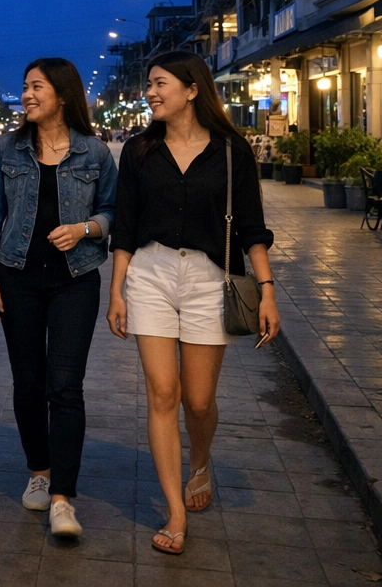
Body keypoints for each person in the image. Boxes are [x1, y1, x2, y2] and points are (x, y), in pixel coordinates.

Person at [106, 50, 279, 556]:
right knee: (163, 392)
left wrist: (267, 290)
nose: (151, 93)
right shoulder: (138, 150)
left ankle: (199, 461)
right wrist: (116, 289)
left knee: (197, 400)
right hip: (151, 273)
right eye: (149, 85)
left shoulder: (232, 150)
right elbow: (126, 225)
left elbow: (252, 226)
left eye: (160, 83)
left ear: (192, 88)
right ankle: (175, 511)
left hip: (210, 277)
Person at [0, 58, 116, 539]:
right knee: (28, 382)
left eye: (36, 86)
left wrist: (85, 229)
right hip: (16, 277)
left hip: (76, 279)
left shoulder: (94, 153)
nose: (27, 95)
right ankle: (40, 469)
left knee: (65, 385)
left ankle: (63, 498)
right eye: (25, 86)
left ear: (61, 93)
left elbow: (113, 210)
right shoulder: (6, 149)